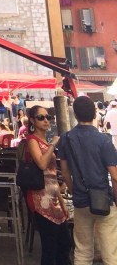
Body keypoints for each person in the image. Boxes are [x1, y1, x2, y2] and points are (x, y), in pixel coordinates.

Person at [58, 95, 117, 265]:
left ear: (75, 115)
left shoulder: (66, 139)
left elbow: (65, 172)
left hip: (81, 201)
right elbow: (114, 176)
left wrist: (75, 190)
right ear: (94, 114)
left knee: (83, 250)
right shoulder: (103, 140)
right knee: (110, 252)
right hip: (103, 200)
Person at [21, 104, 71, 265]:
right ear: (32, 121)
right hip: (40, 198)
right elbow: (42, 164)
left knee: (64, 242)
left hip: (52, 196)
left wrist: (62, 202)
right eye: (41, 117)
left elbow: (52, 176)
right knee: (50, 245)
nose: (46, 121)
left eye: (48, 117)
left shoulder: (44, 141)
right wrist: (53, 145)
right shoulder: (32, 140)